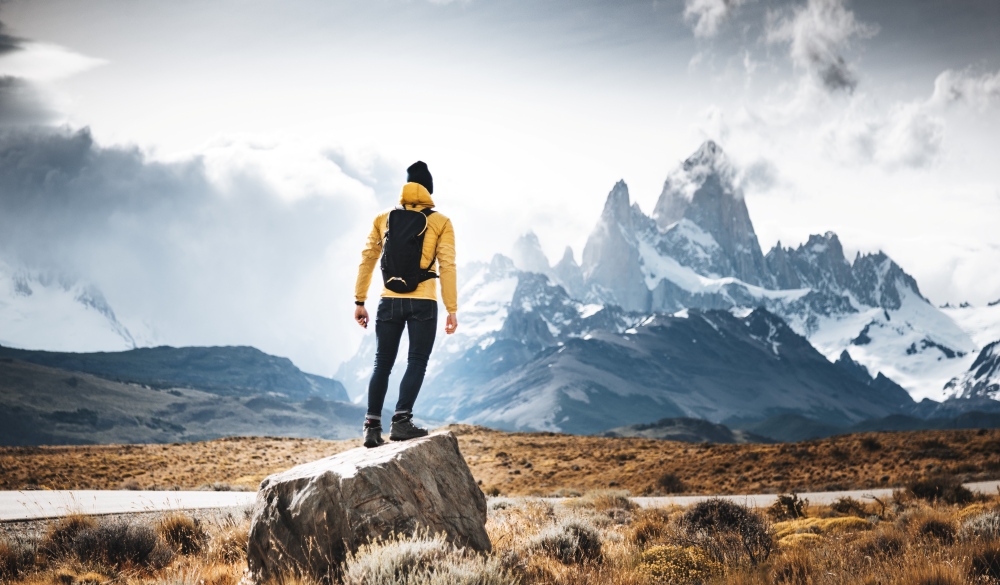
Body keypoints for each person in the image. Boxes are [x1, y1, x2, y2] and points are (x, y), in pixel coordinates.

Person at [353, 161, 458, 448]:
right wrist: (452, 309)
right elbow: (447, 265)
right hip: (423, 302)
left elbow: (368, 259)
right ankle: (401, 421)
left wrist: (360, 300)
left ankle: (371, 426)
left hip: (389, 299)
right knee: (417, 362)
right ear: (429, 190)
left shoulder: (384, 219)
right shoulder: (441, 222)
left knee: (381, 362)